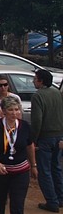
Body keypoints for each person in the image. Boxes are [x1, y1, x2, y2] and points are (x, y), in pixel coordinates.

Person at [0, 96, 37, 214]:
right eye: (10, 110)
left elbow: (30, 145)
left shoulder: (25, 126)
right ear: (3, 111)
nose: (14, 113)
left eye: (16, 109)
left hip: (21, 171)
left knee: (18, 204)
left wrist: (34, 165)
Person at [31, 69, 63, 212]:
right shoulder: (56, 92)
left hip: (45, 137)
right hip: (58, 136)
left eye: (35, 78)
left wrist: (34, 139)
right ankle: (60, 198)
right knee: (56, 167)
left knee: (44, 171)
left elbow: (37, 120)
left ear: (41, 80)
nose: (33, 81)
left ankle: (52, 201)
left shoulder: (38, 96)